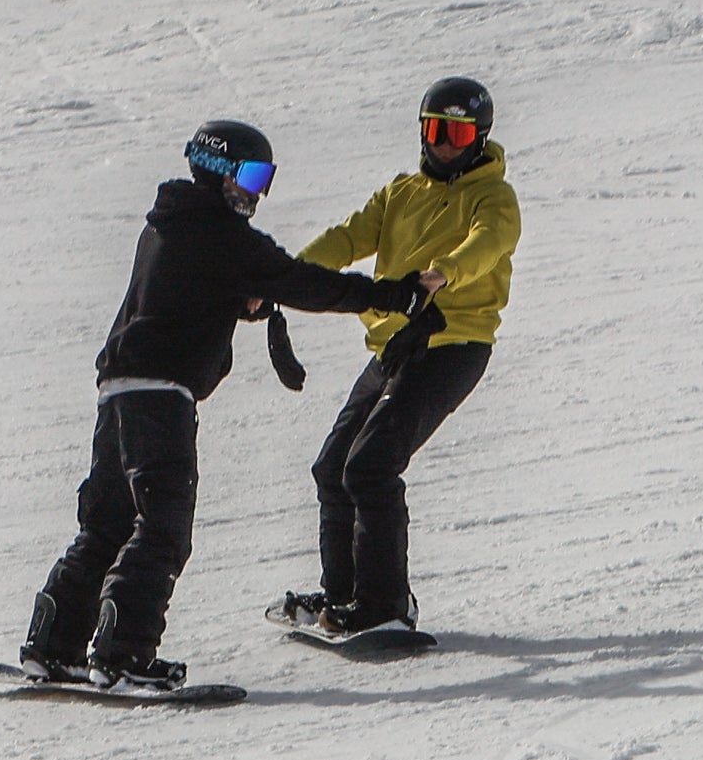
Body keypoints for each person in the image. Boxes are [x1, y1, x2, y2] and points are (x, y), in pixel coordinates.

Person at [22, 119, 433, 692]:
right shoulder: (222, 235)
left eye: (266, 180)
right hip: (161, 397)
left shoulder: (169, 224)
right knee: (163, 526)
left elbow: (180, 292)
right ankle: (124, 653)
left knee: (109, 522)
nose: (258, 193)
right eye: (252, 176)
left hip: (117, 391)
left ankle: (54, 644)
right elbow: (306, 283)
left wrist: (236, 302)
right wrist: (397, 295)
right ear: (218, 170)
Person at [269, 76, 524, 642]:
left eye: (458, 134)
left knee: (371, 465)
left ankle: (385, 604)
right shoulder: (401, 192)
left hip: (453, 343)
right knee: (333, 466)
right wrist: (284, 279)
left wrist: (444, 272)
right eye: (436, 130)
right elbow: (348, 237)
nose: (445, 145)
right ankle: (343, 598)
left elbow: (488, 243)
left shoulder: (494, 196)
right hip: (396, 345)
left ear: (479, 137)